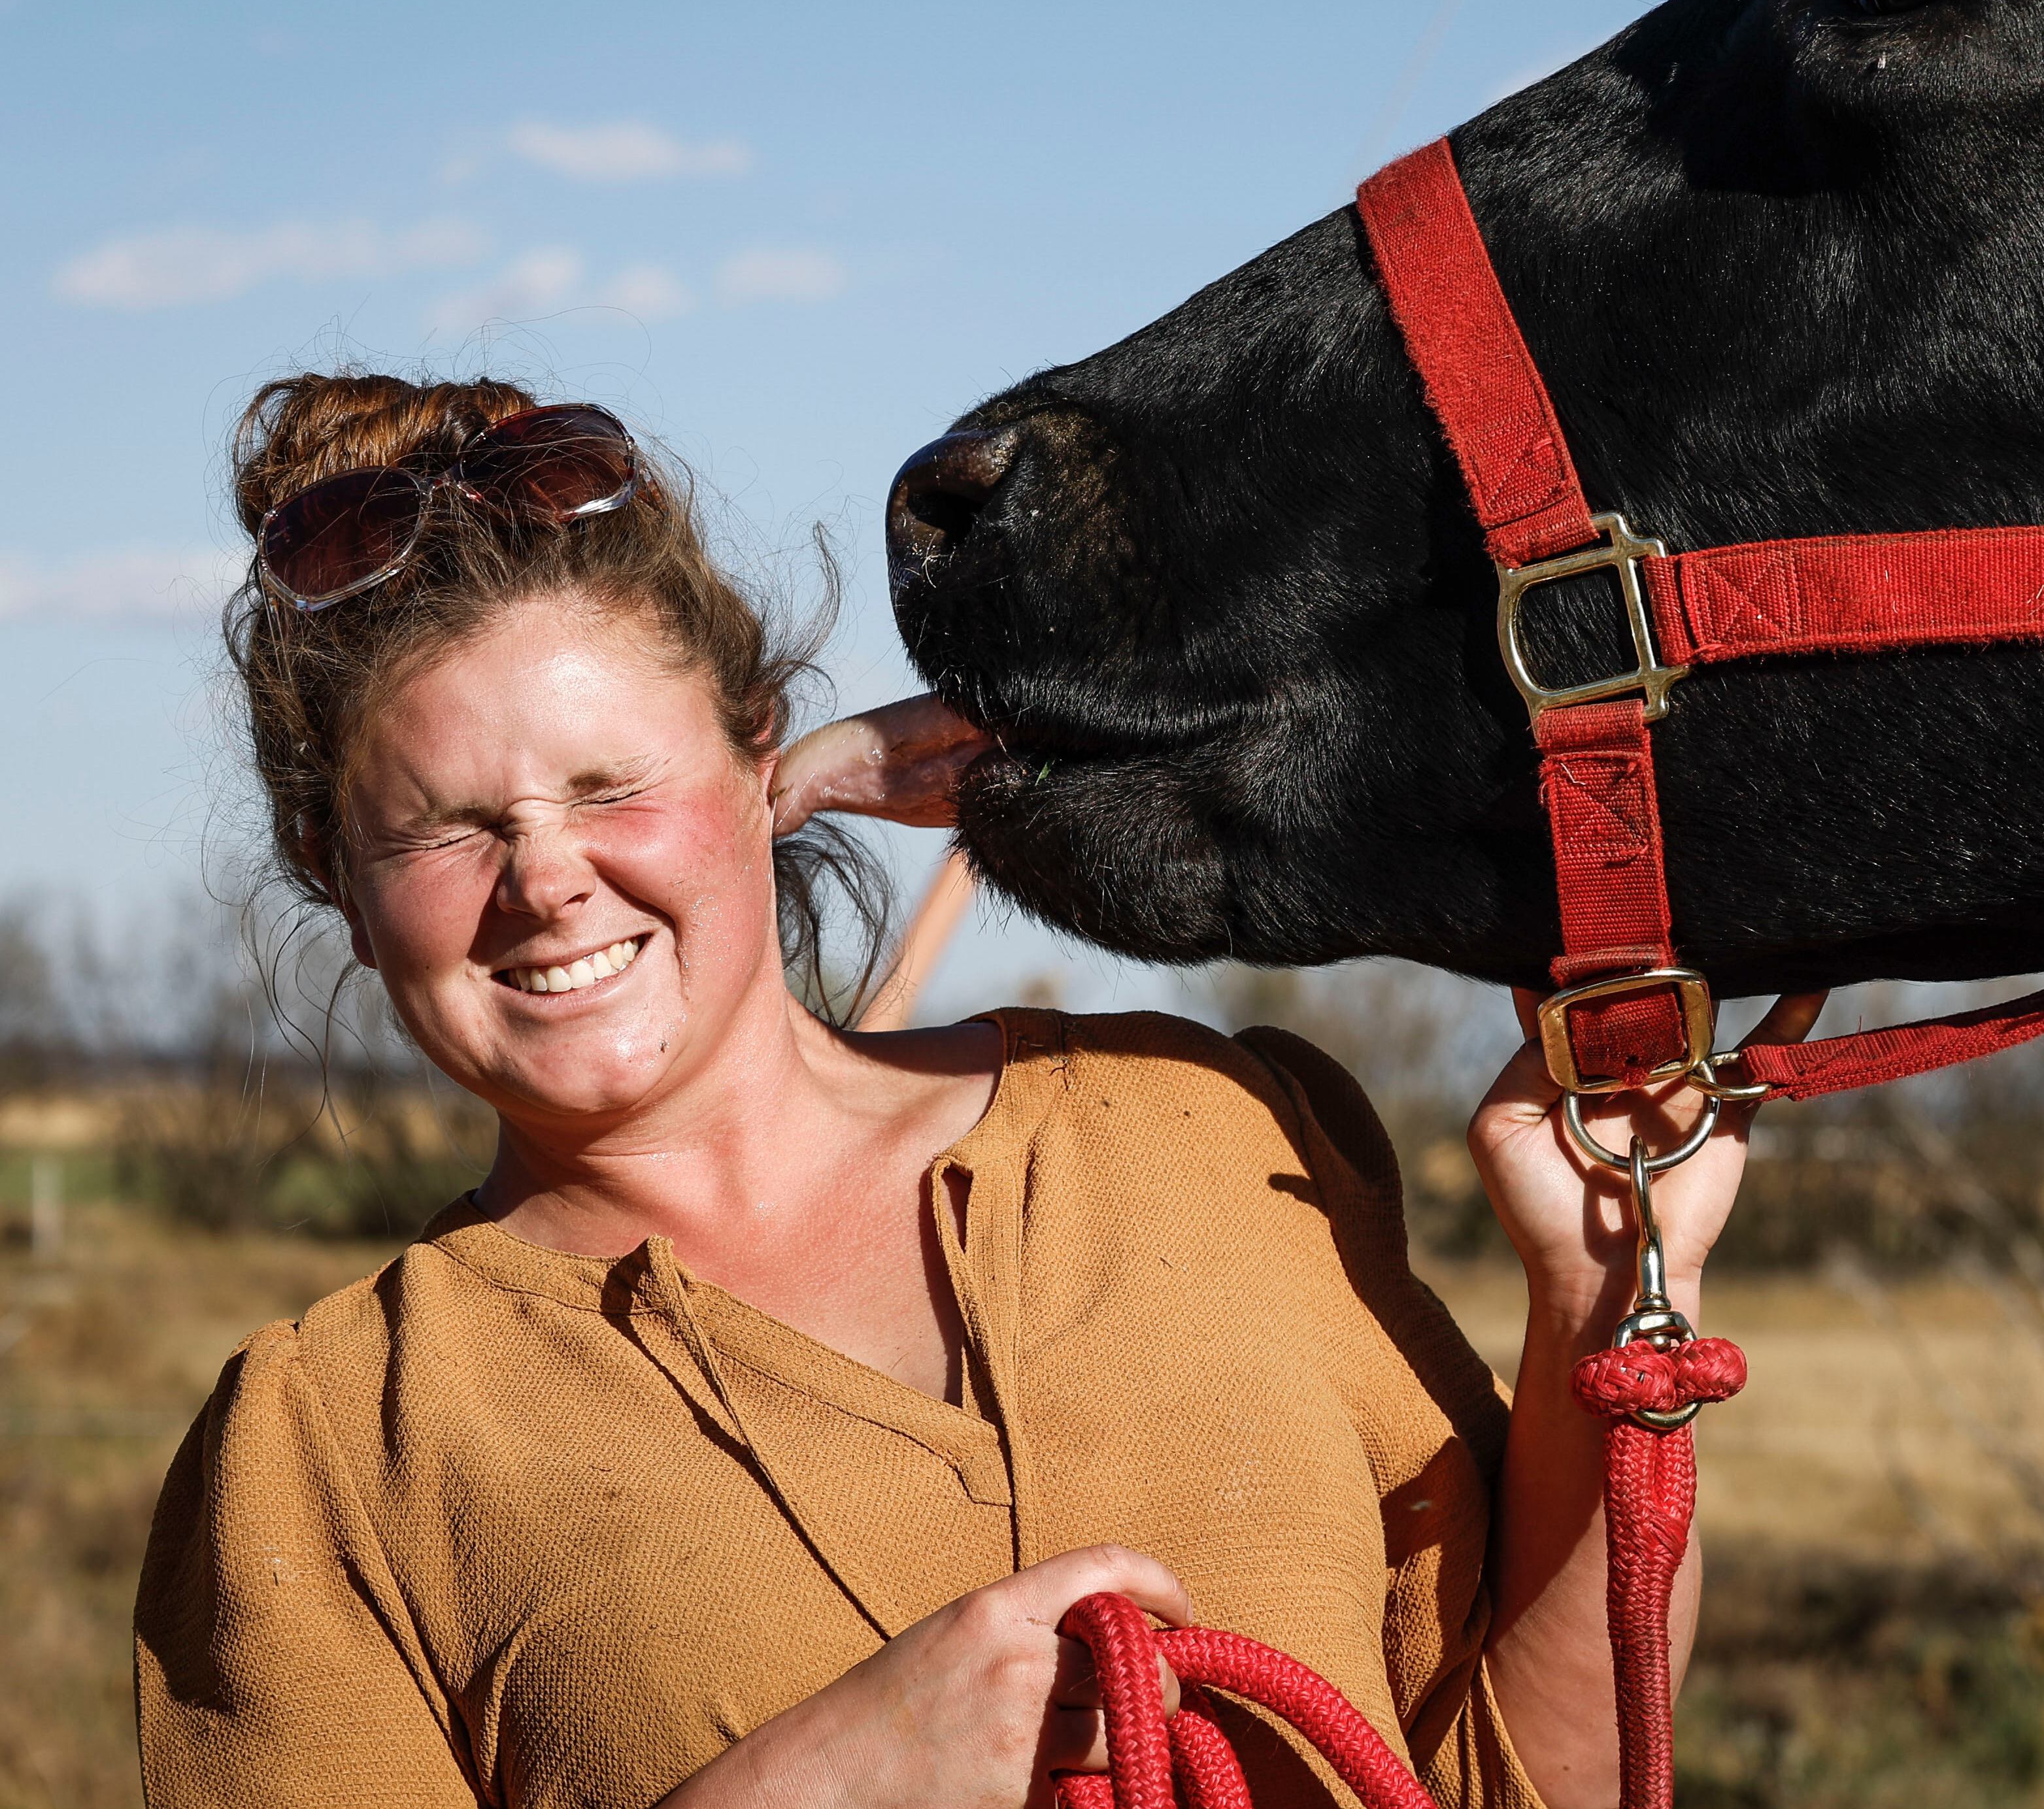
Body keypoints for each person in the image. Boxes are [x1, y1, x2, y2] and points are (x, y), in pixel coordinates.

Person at [136, 373, 1815, 1809]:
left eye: (611, 783)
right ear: (333, 877)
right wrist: (825, 1777)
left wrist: (1605, 1292)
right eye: (446, 829)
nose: (549, 878)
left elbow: (1521, 1776)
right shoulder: (325, 1449)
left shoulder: (1203, 1129)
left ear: (758, 756)